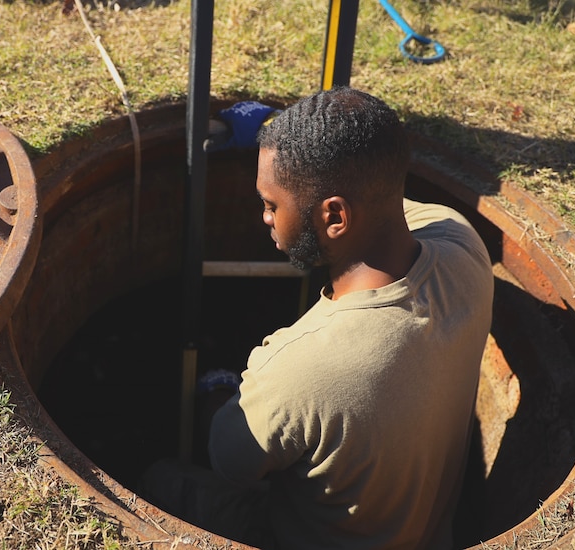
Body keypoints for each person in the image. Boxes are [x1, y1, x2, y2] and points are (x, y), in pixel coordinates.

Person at [141, 87, 494, 550]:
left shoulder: (298, 369)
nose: (264, 217)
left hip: (290, 534)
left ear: (334, 215)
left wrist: (222, 391)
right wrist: (282, 142)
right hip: (426, 533)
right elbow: (375, 188)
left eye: (271, 204)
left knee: (161, 478)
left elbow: (231, 462)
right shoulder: (462, 245)